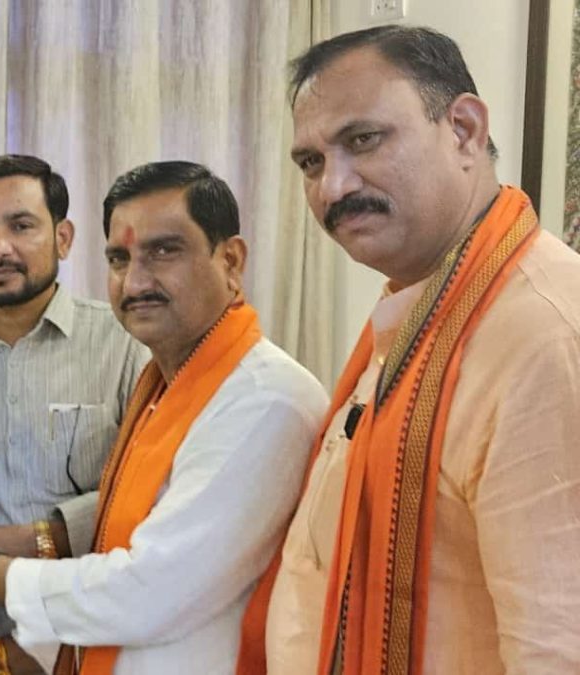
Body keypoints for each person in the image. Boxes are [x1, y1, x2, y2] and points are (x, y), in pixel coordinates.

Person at [237, 25, 580, 675]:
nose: (332, 187)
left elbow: (558, 647)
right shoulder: (419, 309)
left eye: (362, 140)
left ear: (464, 131)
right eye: (310, 162)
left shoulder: (546, 333)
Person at [0, 161, 329, 674]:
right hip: (57, 647)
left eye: (164, 251)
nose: (136, 281)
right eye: (120, 258)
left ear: (230, 260)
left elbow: (148, 591)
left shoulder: (263, 399)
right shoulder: (165, 386)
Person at [0, 154, 148, 672]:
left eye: (20, 226)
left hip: (97, 645)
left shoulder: (127, 345)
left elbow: (149, 498)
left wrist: (1, 545)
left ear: (63, 238)